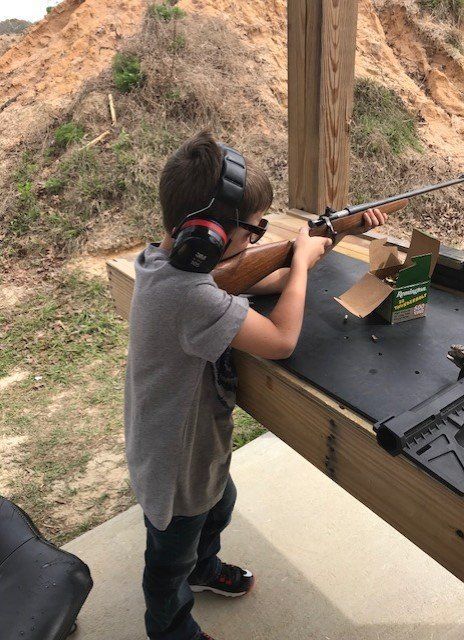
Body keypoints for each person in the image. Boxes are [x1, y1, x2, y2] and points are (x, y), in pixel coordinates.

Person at [124, 129, 387, 640]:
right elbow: (282, 339)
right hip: (175, 461)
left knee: (218, 504)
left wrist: (323, 243)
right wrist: (303, 265)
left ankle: (204, 569)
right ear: (209, 233)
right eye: (253, 229)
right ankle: (171, 627)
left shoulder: (166, 264)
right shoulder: (190, 296)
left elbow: (251, 279)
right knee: (166, 566)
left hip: (193, 444)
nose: (258, 237)